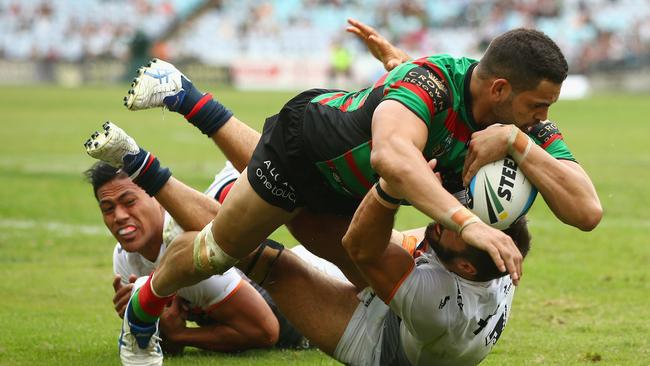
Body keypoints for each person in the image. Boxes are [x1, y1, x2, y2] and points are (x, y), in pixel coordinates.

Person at [111, 19, 601, 362]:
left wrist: (519, 141)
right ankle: (141, 312)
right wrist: (470, 224)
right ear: (499, 90)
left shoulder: (522, 125)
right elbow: (393, 158)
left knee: (365, 269)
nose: (544, 116)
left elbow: (586, 210)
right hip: (303, 152)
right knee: (221, 251)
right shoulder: (428, 82)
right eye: (537, 105)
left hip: (356, 192)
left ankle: (181, 95)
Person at [84, 120, 531, 365]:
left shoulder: (439, 304)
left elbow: (358, 245)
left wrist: (392, 188)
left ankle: (149, 173)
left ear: (465, 267)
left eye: (449, 226)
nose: (443, 217)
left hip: (388, 348)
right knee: (300, 197)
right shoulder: (487, 255)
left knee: (270, 262)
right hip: (421, 305)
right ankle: (187, 105)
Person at [83, 154, 310, 363]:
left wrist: (180, 334)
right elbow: (168, 349)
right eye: (108, 208)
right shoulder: (125, 257)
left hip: (315, 297)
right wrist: (140, 320)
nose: (119, 216)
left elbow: (265, 331)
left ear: (157, 197)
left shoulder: (186, 247)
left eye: (129, 202)